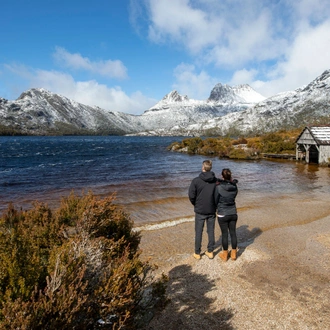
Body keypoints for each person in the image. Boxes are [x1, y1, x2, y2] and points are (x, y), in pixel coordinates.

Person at [188, 160, 217, 260]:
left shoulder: (196, 180)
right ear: (210, 168)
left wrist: (195, 204)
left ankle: (197, 253)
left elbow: (191, 195)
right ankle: (210, 251)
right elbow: (217, 195)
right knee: (211, 231)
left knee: (198, 232)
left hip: (200, 210)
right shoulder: (215, 181)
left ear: (203, 168)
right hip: (211, 209)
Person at [214, 168, 238, 261]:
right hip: (233, 212)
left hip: (222, 213)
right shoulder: (235, 186)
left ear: (222, 176)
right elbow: (234, 196)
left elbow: (215, 200)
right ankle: (233, 254)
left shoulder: (218, 187)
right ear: (230, 176)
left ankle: (225, 255)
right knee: (233, 233)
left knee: (224, 234)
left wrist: (217, 207)